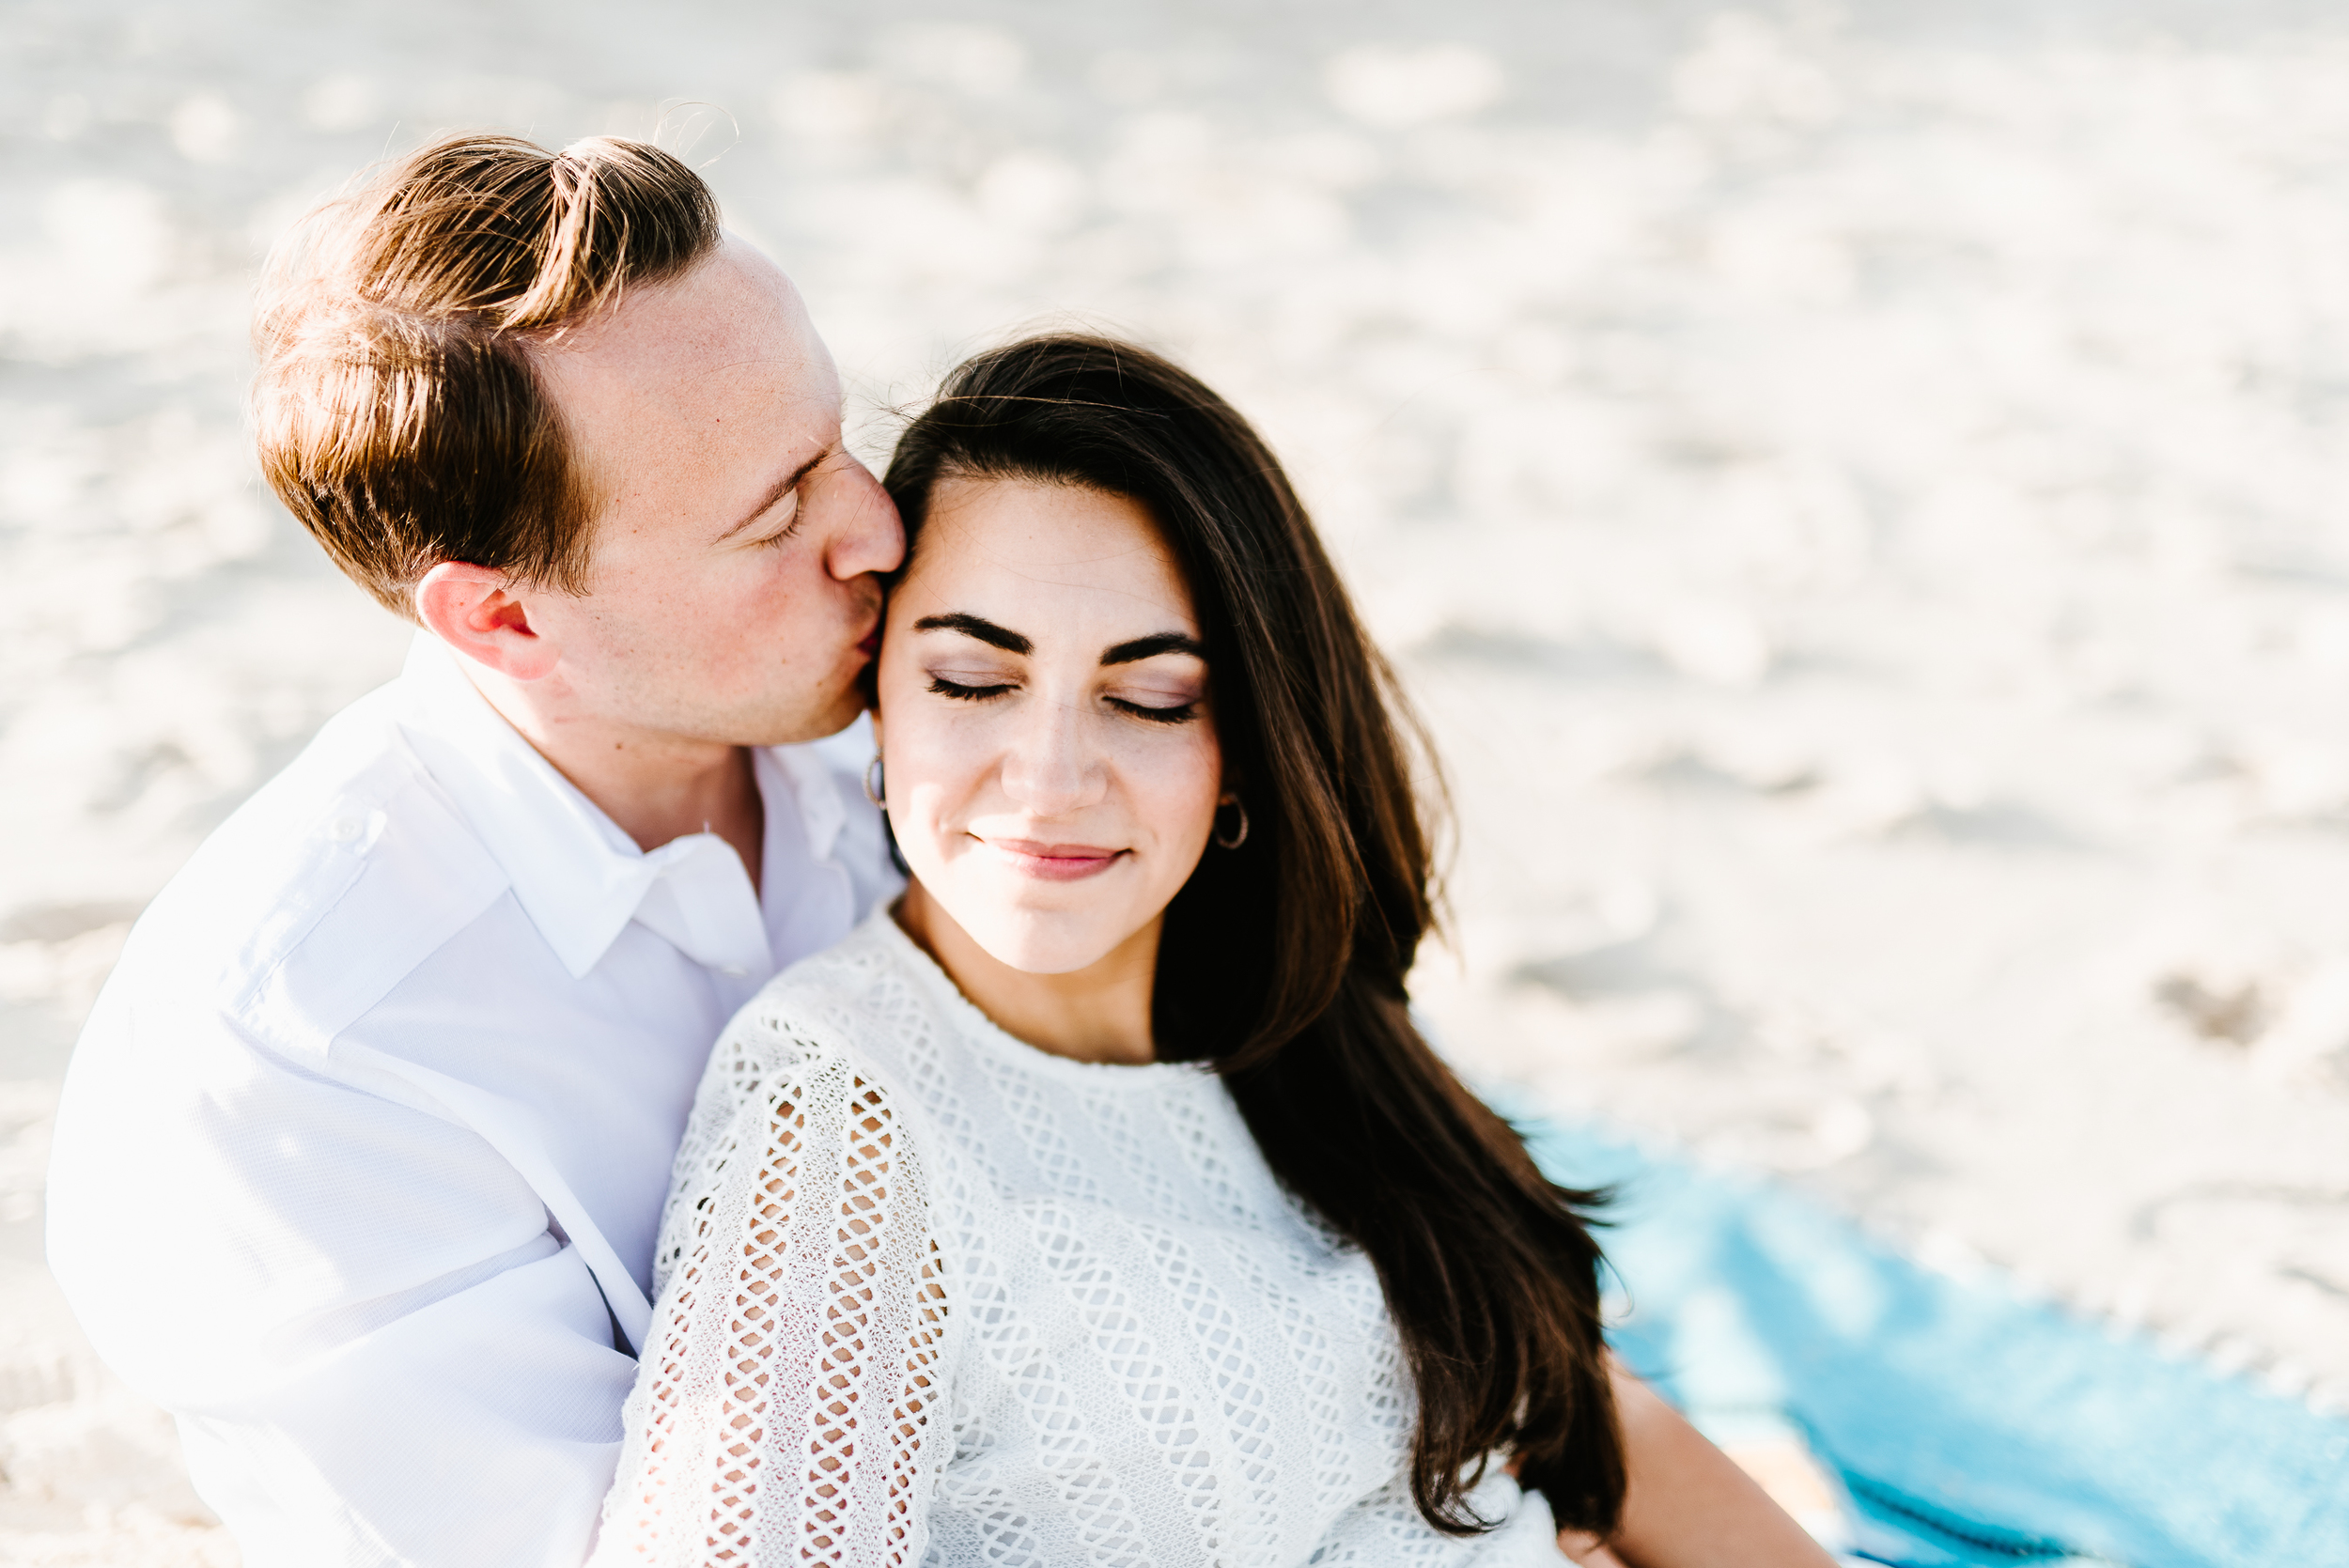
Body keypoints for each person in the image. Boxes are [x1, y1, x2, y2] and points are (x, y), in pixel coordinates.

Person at [591, 335, 1834, 1567]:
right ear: (881, 705)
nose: (1052, 780)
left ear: (1242, 744)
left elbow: (1584, 1415)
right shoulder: (845, 1121)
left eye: (1150, 697)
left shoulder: (1292, 1025)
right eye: (974, 677)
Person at [44, 134, 905, 1565]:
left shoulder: (899, 693)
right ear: (502, 620)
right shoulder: (300, 1062)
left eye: (837, 442)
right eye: (776, 516)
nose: (877, 528)